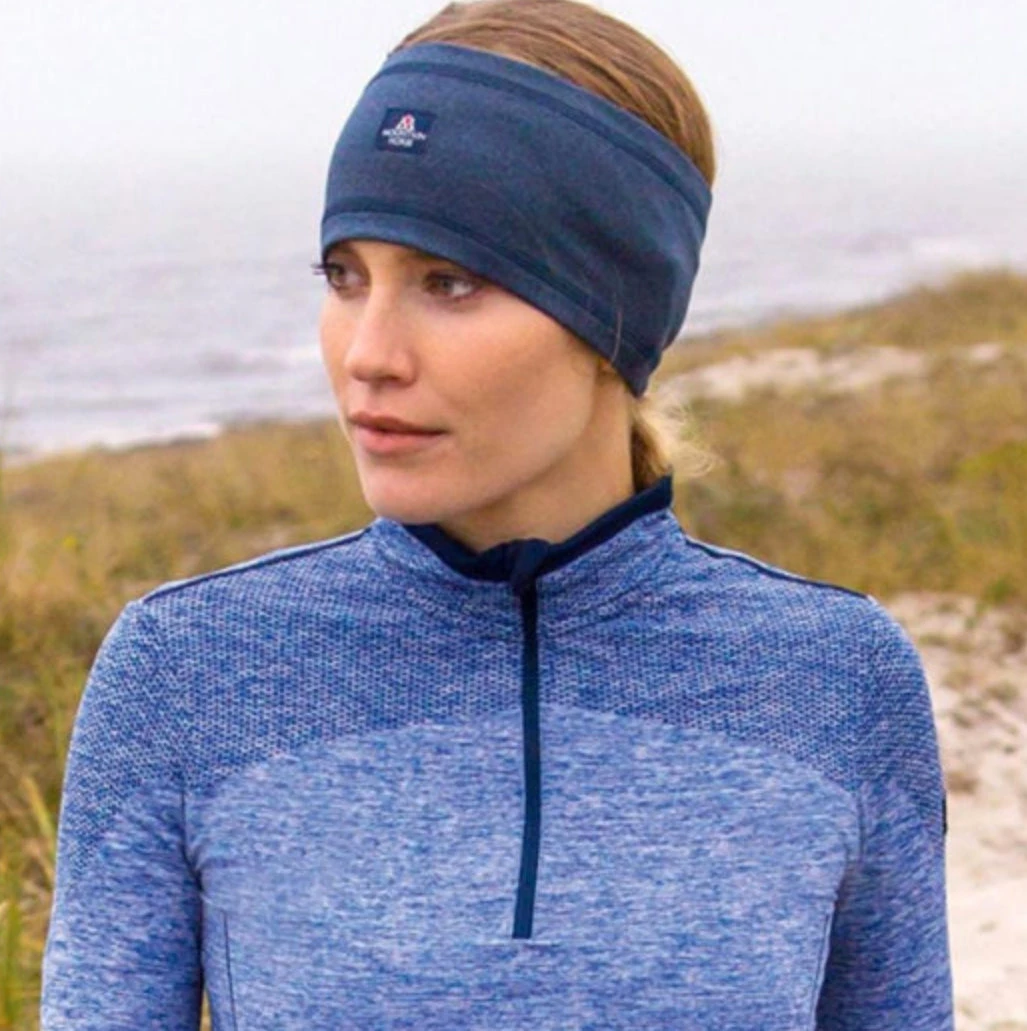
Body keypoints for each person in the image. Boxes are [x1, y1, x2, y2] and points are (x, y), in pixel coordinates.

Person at [40, 0, 954, 1027]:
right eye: (345, 276)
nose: (368, 353)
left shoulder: (834, 678)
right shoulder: (187, 670)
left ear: (615, 313)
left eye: (450, 281)